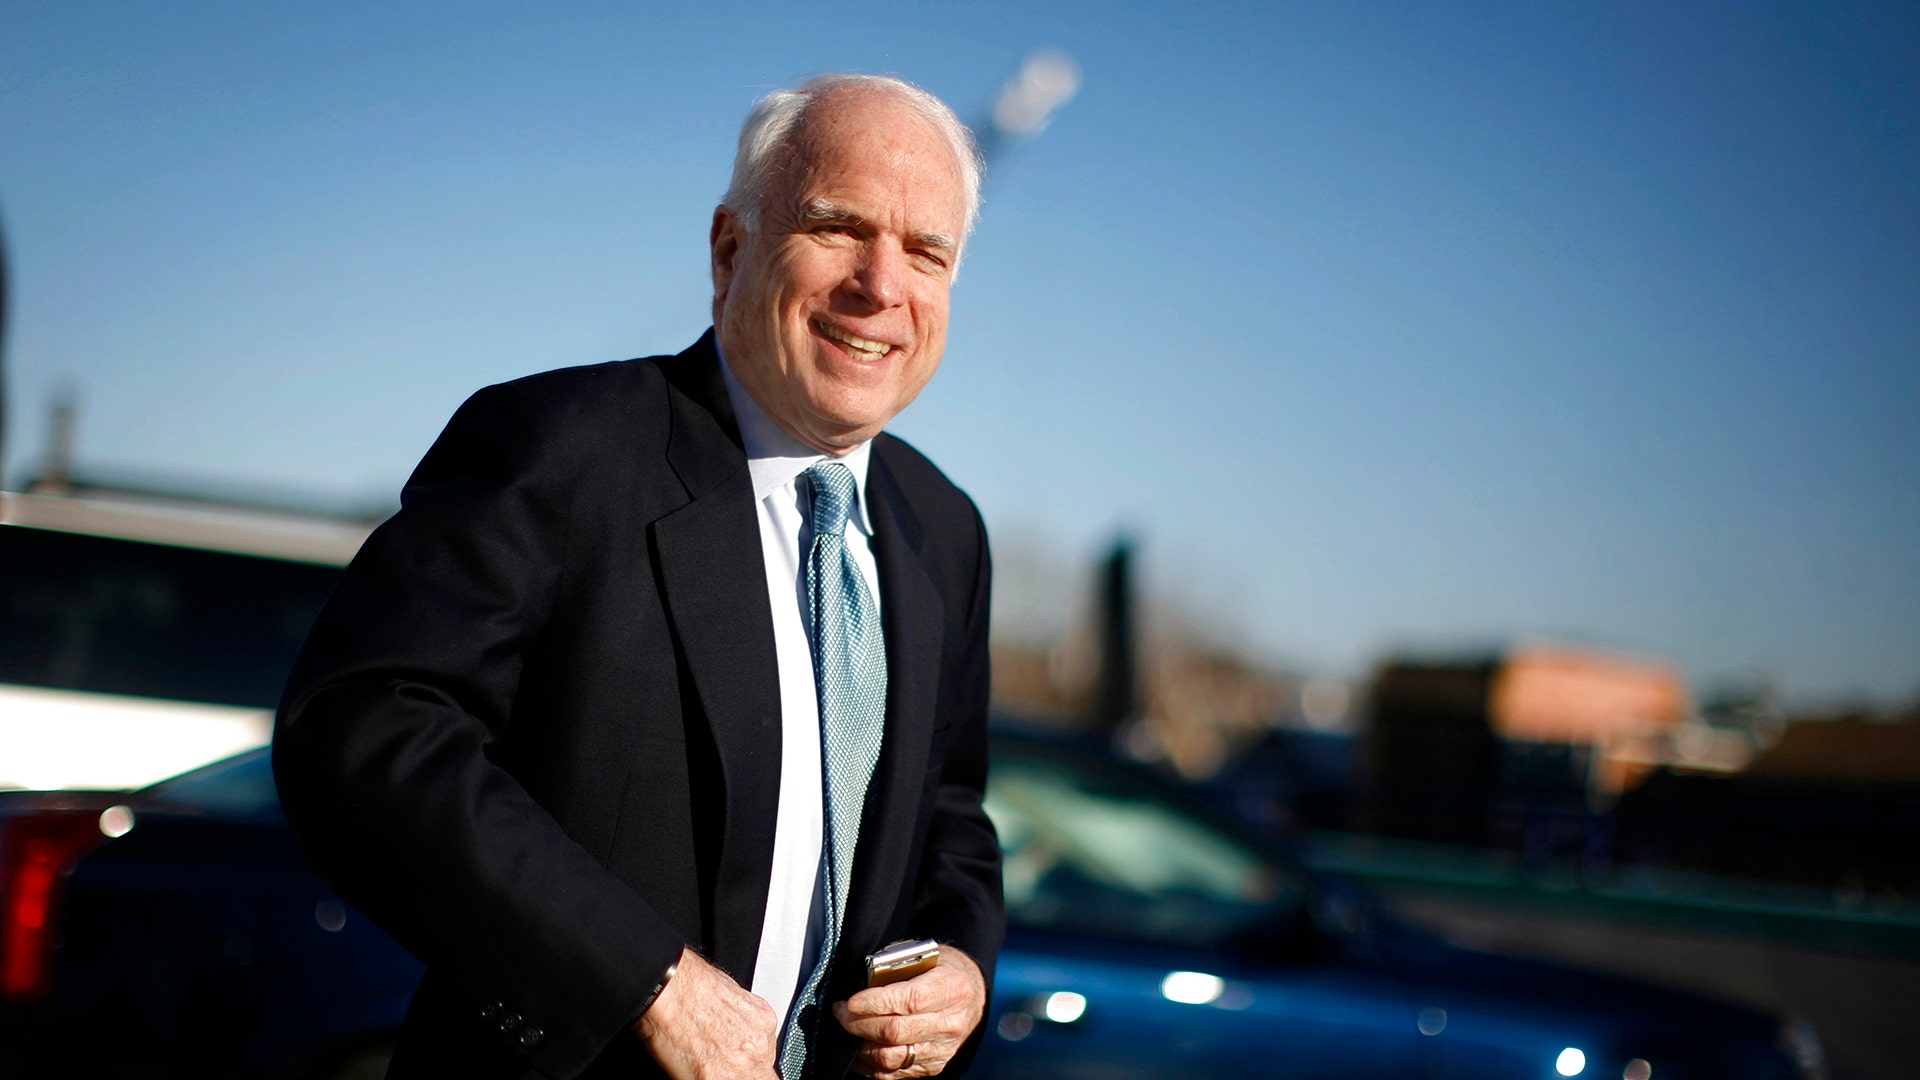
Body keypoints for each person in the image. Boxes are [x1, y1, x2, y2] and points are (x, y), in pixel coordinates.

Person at [274, 74, 1002, 1080]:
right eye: (838, 229)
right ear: (730, 249)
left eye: (927, 252)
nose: (882, 285)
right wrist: (643, 983)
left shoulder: (945, 532)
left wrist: (963, 961)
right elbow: (364, 733)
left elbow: (953, 818)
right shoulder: (565, 447)